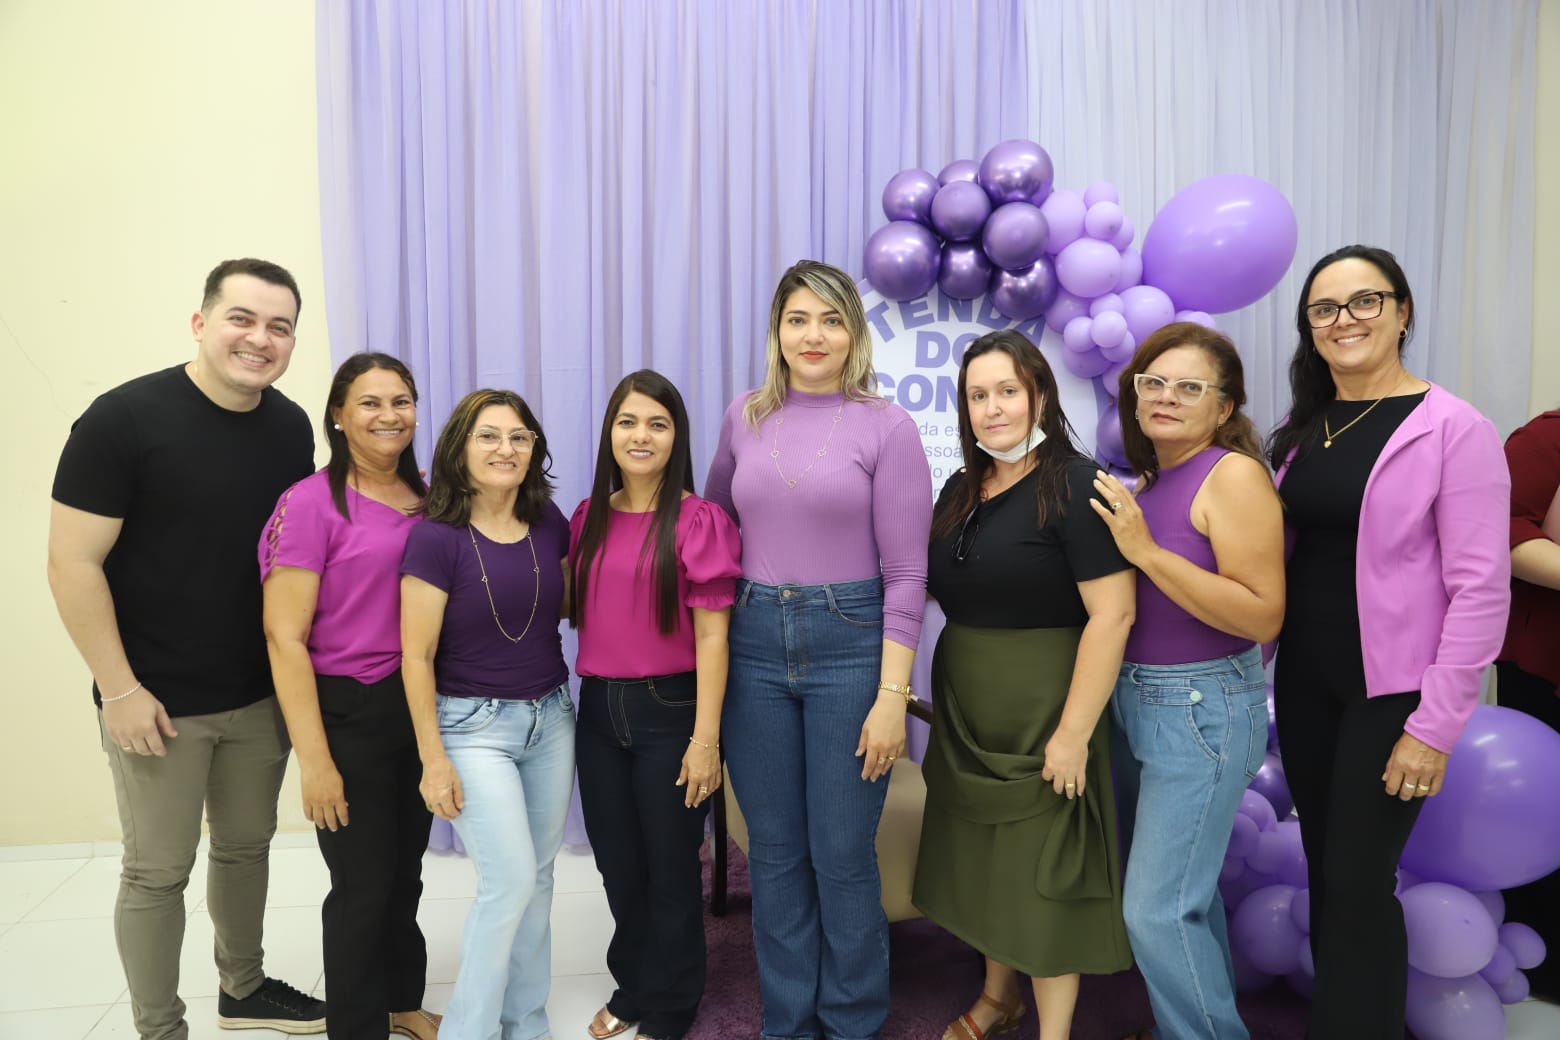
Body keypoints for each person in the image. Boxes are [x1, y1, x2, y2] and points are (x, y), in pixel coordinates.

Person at [46, 258, 325, 1040]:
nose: (260, 338)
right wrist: (119, 690)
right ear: (201, 323)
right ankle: (160, 1028)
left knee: (245, 849)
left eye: (279, 327)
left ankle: (244, 988)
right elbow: (71, 564)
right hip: (155, 702)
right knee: (157, 872)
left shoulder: (289, 427)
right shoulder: (121, 421)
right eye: (242, 318)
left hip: (257, 694)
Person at [1266, 244, 1510, 1039]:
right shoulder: (1303, 430)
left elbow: (1481, 588)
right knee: (1328, 873)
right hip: (1305, 680)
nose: (1345, 320)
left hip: (1393, 693)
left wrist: (1433, 727)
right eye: (1325, 308)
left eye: (1365, 301)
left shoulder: (1454, 428)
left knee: (1357, 880)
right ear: (1310, 327)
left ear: (1402, 312)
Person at [704, 259, 933, 1040]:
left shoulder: (887, 426)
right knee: (773, 853)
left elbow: (907, 576)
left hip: (851, 649)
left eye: (832, 320)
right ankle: (788, 1021)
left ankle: (853, 1019)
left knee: (841, 852)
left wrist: (892, 697)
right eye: (798, 319)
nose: (814, 335)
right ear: (777, 330)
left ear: (853, 334)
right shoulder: (743, 417)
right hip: (754, 647)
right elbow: (710, 534)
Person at [913, 330, 1135, 1040]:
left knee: (1044, 877)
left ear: (1039, 394)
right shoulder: (960, 488)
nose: (993, 408)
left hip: (1048, 710)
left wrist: (1072, 734)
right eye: (978, 395)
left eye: (1007, 391)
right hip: (969, 711)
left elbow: (1113, 613)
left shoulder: (1076, 483)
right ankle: (997, 997)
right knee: (986, 864)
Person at [1091, 323, 1285, 1040]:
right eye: (1153, 382)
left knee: (1158, 909)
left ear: (1223, 407)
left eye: (1189, 387)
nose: (1166, 397)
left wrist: (1144, 552)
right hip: (1142, 701)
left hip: (1200, 707)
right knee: (1182, 905)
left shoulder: (1230, 474)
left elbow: (1262, 614)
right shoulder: (1154, 482)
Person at [259, 352, 439, 1040]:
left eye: (401, 401)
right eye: (369, 402)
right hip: (347, 711)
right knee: (362, 885)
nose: (388, 415)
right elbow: (284, 636)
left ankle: (401, 1001)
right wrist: (315, 761)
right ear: (337, 415)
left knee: (405, 874)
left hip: (416, 705)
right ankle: (357, 1027)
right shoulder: (310, 504)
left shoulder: (429, 497)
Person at [570, 370, 742, 1040]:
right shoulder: (588, 517)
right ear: (610, 433)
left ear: (677, 437)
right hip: (598, 712)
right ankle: (635, 985)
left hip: (671, 711)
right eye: (628, 422)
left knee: (671, 868)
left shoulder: (700, 522)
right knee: (618, 865)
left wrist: (706, 739)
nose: (640, 436)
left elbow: (714, 638)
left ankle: (673, 1002)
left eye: (657, 424)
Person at [400, 388, 574, 1040]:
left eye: (519, 437)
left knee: (540, 878)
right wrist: (433, 759)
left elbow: (566, 604)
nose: (507, 448)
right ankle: (468, 1032)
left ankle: (525, 1023)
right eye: (489, 436)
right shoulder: (435, 538)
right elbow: (415, 656)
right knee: (508, 882)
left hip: (551, 719)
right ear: (460, 449)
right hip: (472, 727)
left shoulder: (549, 522)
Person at [1494, 406, 1560, 1003]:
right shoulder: (1549, 435)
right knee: (1541, 812)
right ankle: (1545, 959)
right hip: (1545, 661)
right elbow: (1502, 528)